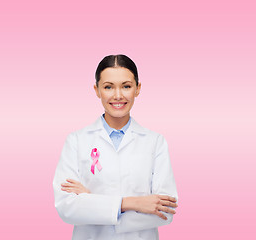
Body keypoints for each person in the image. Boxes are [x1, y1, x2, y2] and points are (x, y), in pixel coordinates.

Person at [53, 54, 178, 240]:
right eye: (108, 87)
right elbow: (66, 207)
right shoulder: (76, 141)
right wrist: (131, 203)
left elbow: (165, 212)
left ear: (138, 88)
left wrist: (91, 203)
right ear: (97, 90)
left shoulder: (155, 142)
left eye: (126, 86)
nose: (118, 95)